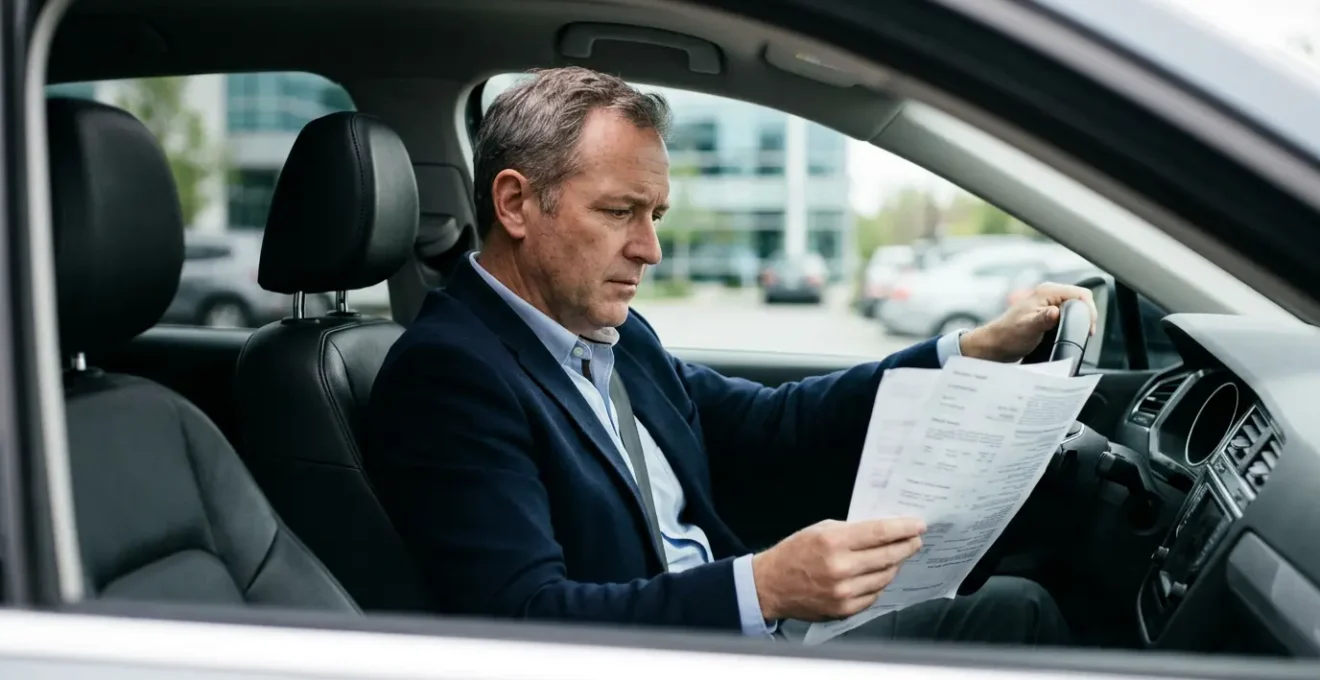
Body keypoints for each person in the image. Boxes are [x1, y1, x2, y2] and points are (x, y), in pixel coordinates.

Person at [365, 66, 1096, 645]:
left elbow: (773, 422)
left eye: (655, 216)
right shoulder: (450, 373)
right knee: (1017, 616)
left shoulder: (612, 335)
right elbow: (521, 621)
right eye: (619, 212)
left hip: (739, 636)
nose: (648, 249)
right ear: (517, 204)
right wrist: (763, 588)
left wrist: (967, 350)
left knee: (1008, 596)